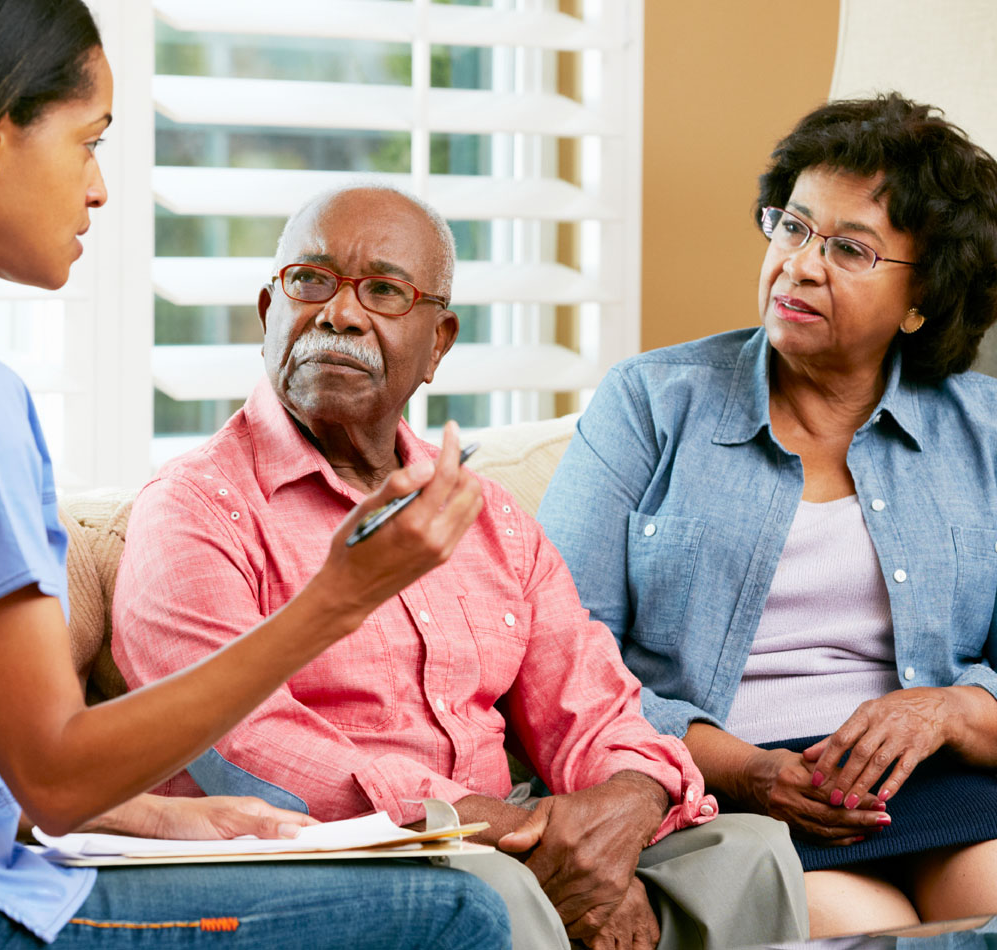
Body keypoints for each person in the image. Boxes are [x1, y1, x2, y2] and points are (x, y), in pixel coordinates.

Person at [0, 3, 514, 948]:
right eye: (89, 142)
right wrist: (338, 598)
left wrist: (157, 814)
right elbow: (54, 770)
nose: (98, 190)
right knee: (455, 914)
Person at [112, 183, 811, 950]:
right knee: (493, 889)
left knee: (747, 853)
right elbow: (243, 747)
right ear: (267, 312)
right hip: (323, 858)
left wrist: (627, 805)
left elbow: (592, 704)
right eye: (310, 281)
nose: (339, 314)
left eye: (384, 290)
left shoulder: (489, 517)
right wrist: (499, 833)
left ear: (438, 342)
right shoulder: (195, 508)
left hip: (500, 837)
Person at [538, 93, 997, 938]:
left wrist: (950, 710)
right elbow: (560, 657)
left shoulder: (986, 433)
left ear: (923, 298)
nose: (800, 266)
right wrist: (746, 770)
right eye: (792, 226)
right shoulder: (650, 403)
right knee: (857, 922)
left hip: (936, 786)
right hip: (726, 793)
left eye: (850, 248)